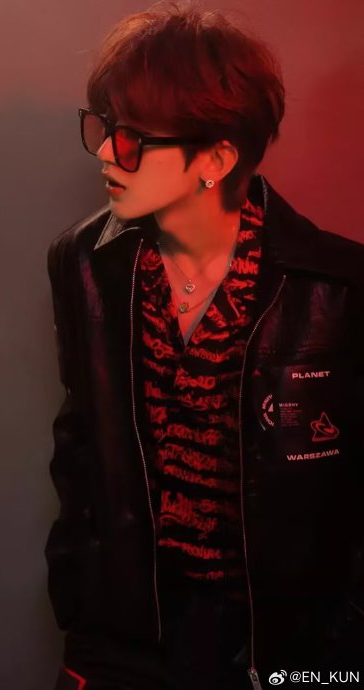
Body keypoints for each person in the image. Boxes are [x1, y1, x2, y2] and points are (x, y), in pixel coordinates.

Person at [45, 2, 364, 688]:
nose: (106, 153)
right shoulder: (85, 262)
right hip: (127, 632)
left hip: (278, 644)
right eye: (105, 126)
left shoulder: (337, 285)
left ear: (216, 157)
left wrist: (338, 653)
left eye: (133, 138)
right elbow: (80, 440)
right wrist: (79, 598)